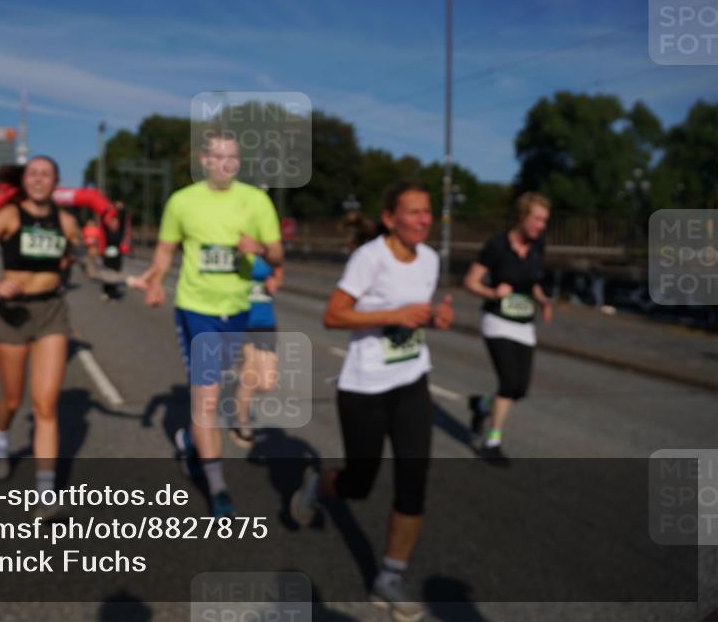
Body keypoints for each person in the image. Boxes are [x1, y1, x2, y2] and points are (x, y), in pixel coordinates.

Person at [290, 180, 453, 622]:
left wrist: (435, 318)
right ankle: (317, 485)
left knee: (413, 478)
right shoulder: (370, 258)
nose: (424, 219)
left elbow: (415, 314)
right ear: (390, 219)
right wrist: (393, 315)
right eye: (414, 212)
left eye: (427, 212)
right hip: (364, 386)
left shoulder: (431, 260)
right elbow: (333, 314)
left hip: (412, 379)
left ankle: (390, 576)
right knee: (359, 483)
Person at [130, 132, 283, 517]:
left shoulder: (256, 200)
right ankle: (218, 488)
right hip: (196, 307)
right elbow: (166, 250)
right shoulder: (182, 201)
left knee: (218, 390)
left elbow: (278, 253)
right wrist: (155, 281)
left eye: (232, 157)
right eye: (217, 157)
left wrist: (261, 249)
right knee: (209, 398)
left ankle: (188, 441)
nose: (225, 164)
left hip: (238, 309)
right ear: (204, 160)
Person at [0, 156, 81, 521]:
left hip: (51, 313)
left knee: (45, 405)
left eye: (46, 173)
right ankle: (0, 437)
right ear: (25, 181)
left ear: (56, 181)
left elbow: (72, 257)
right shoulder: (9, 216)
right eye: (33, 173)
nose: (39, 179)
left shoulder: (66, 221)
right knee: (13, 400)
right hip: (12, 316)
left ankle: (45, 493)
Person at [463, 192, 552, 463]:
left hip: (524, 323)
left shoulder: (539, 246)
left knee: (520, 389)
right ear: (522, 217)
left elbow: (532, 281)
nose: (541, 226)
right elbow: (470, 281)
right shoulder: (497, 245)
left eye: (545, 221)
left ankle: (481, 406)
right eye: (537, 219)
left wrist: (542, 299)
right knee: (509, 382)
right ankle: (492, 442)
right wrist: (491, 292)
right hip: (496, 321)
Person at [229, 254, 284, 449]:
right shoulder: (235, 249)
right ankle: (241, 423)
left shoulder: (268, 250)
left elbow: (279, 267)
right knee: (249, 377)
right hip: (242, 320)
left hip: (265, 322)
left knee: (267, 383)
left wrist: (275, 281)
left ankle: (241, 383)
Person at [100, 210, 126, 301]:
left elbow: (123, 221)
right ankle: (106, 292)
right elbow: (102, 220)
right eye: (113, 222)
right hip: (107, 257)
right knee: (107, 274)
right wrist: (106, 211)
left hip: (117, 258)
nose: (115, 224)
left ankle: (113, 293)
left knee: (115, 275)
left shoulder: (120, 232)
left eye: (116, 222)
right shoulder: (106, 232)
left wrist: (121, 209)